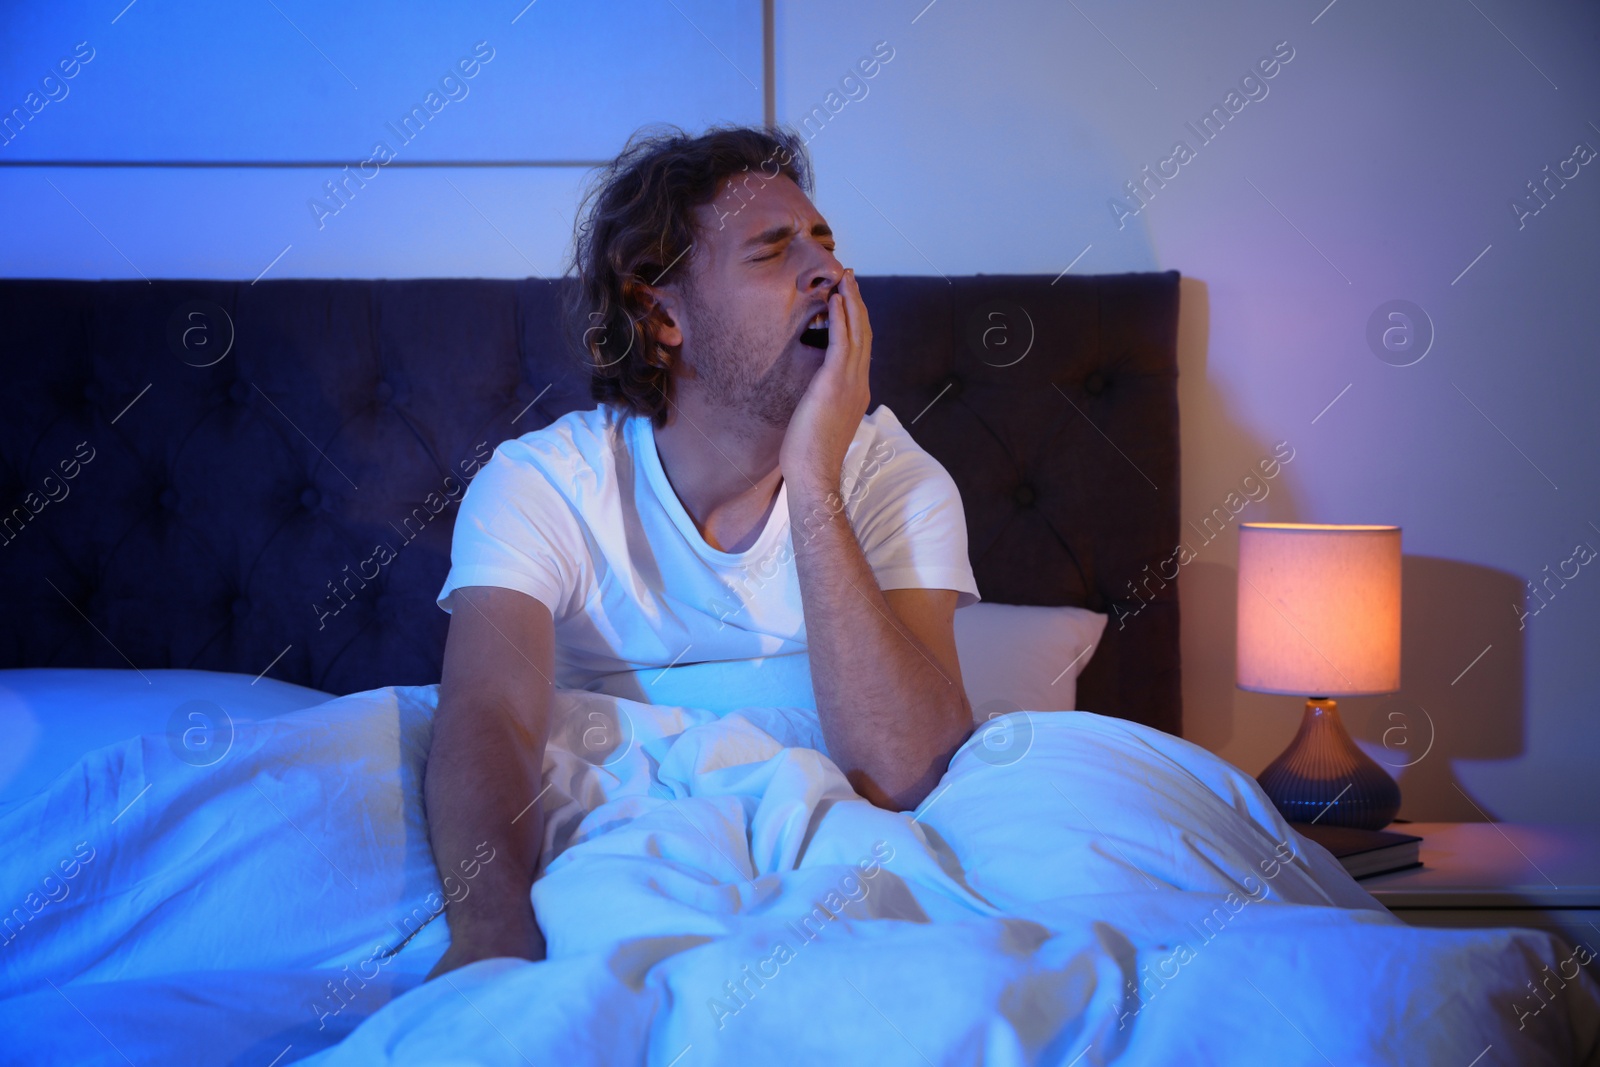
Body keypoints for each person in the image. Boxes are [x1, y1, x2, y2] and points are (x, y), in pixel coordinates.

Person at [421, 125, 981, 980]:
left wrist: (813, 476)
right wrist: (491, 936)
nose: (827, 270)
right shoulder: (546, 483)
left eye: (826, 243)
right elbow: (485, 716)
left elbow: (908, 774)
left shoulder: (896, 483)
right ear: (662, 314)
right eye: (773, 250)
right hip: (617, 849)